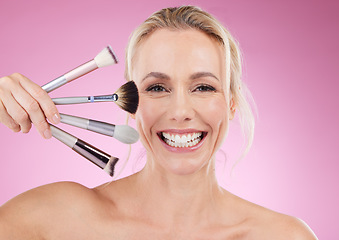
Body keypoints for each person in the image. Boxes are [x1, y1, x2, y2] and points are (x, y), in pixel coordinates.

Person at [0, 6, 317, 239]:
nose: (180, 111)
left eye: (203, 87)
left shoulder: (284, 235)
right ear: (132, 103)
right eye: (157, 88)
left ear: (231, 104)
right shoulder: (51, 221)